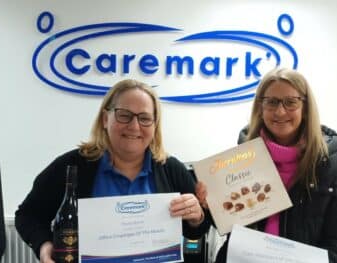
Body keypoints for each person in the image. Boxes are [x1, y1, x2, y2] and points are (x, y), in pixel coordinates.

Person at [15, 79, 209, 263]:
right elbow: (28, 215)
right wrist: (44, 245)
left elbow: (195, 231)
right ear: (105, 119)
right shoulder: (71, 165)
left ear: (154, 125)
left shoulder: (171, 168)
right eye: (124, 115)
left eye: (145, 118)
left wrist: (196, 217)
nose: (134, 126)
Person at [196, 68, 337, 262]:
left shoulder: (331, 168)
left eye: (290, 102)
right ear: (261, 107)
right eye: (271, 102)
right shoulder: (241, 159)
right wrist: (210, 207)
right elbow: (228, 226)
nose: (280, 111)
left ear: (305, 108)